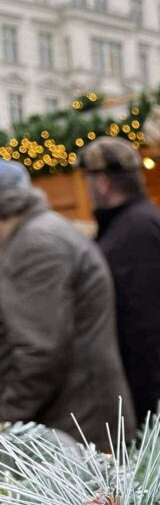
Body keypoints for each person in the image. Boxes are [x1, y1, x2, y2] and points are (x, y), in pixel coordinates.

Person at [0, 159, 135, 449]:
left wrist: (5, 417)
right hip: (78, 417)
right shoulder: (40, 232)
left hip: (77, 426)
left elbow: (39, 352)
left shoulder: (35, 244)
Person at [78, 137, 160, 424]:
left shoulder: (137, 229)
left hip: (147, 398)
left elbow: (148, 324)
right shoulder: (134, 222)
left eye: (87, 180)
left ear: (103, 183)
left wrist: (142, 406)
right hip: (148, 391)